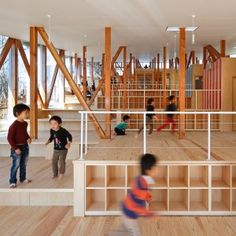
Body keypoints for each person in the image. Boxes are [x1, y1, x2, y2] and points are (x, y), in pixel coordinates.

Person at [109, 153, 158, 236]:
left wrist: (148, 199)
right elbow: (135, 205)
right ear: (148, 170)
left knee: (125, 229)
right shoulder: (142, 185)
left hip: (126, 209)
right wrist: (148, 214)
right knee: (135, 233)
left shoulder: (141, 179)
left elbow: (143, 196)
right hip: (129, 211)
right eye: (156, 167)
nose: (158, 169)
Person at [7, 104, 32, 188]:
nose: (27, 114)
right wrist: (16, 148)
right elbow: (9, 138)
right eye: (26, 112)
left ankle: (22, 178)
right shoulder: (13, 126)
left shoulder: (25, 123)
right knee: (16, 165)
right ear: (18, 113)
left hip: (25, 147)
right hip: (16, 148)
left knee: (23, 164)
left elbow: (24, 133)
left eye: (28, 112)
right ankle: (12, 181)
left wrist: (28, 138)